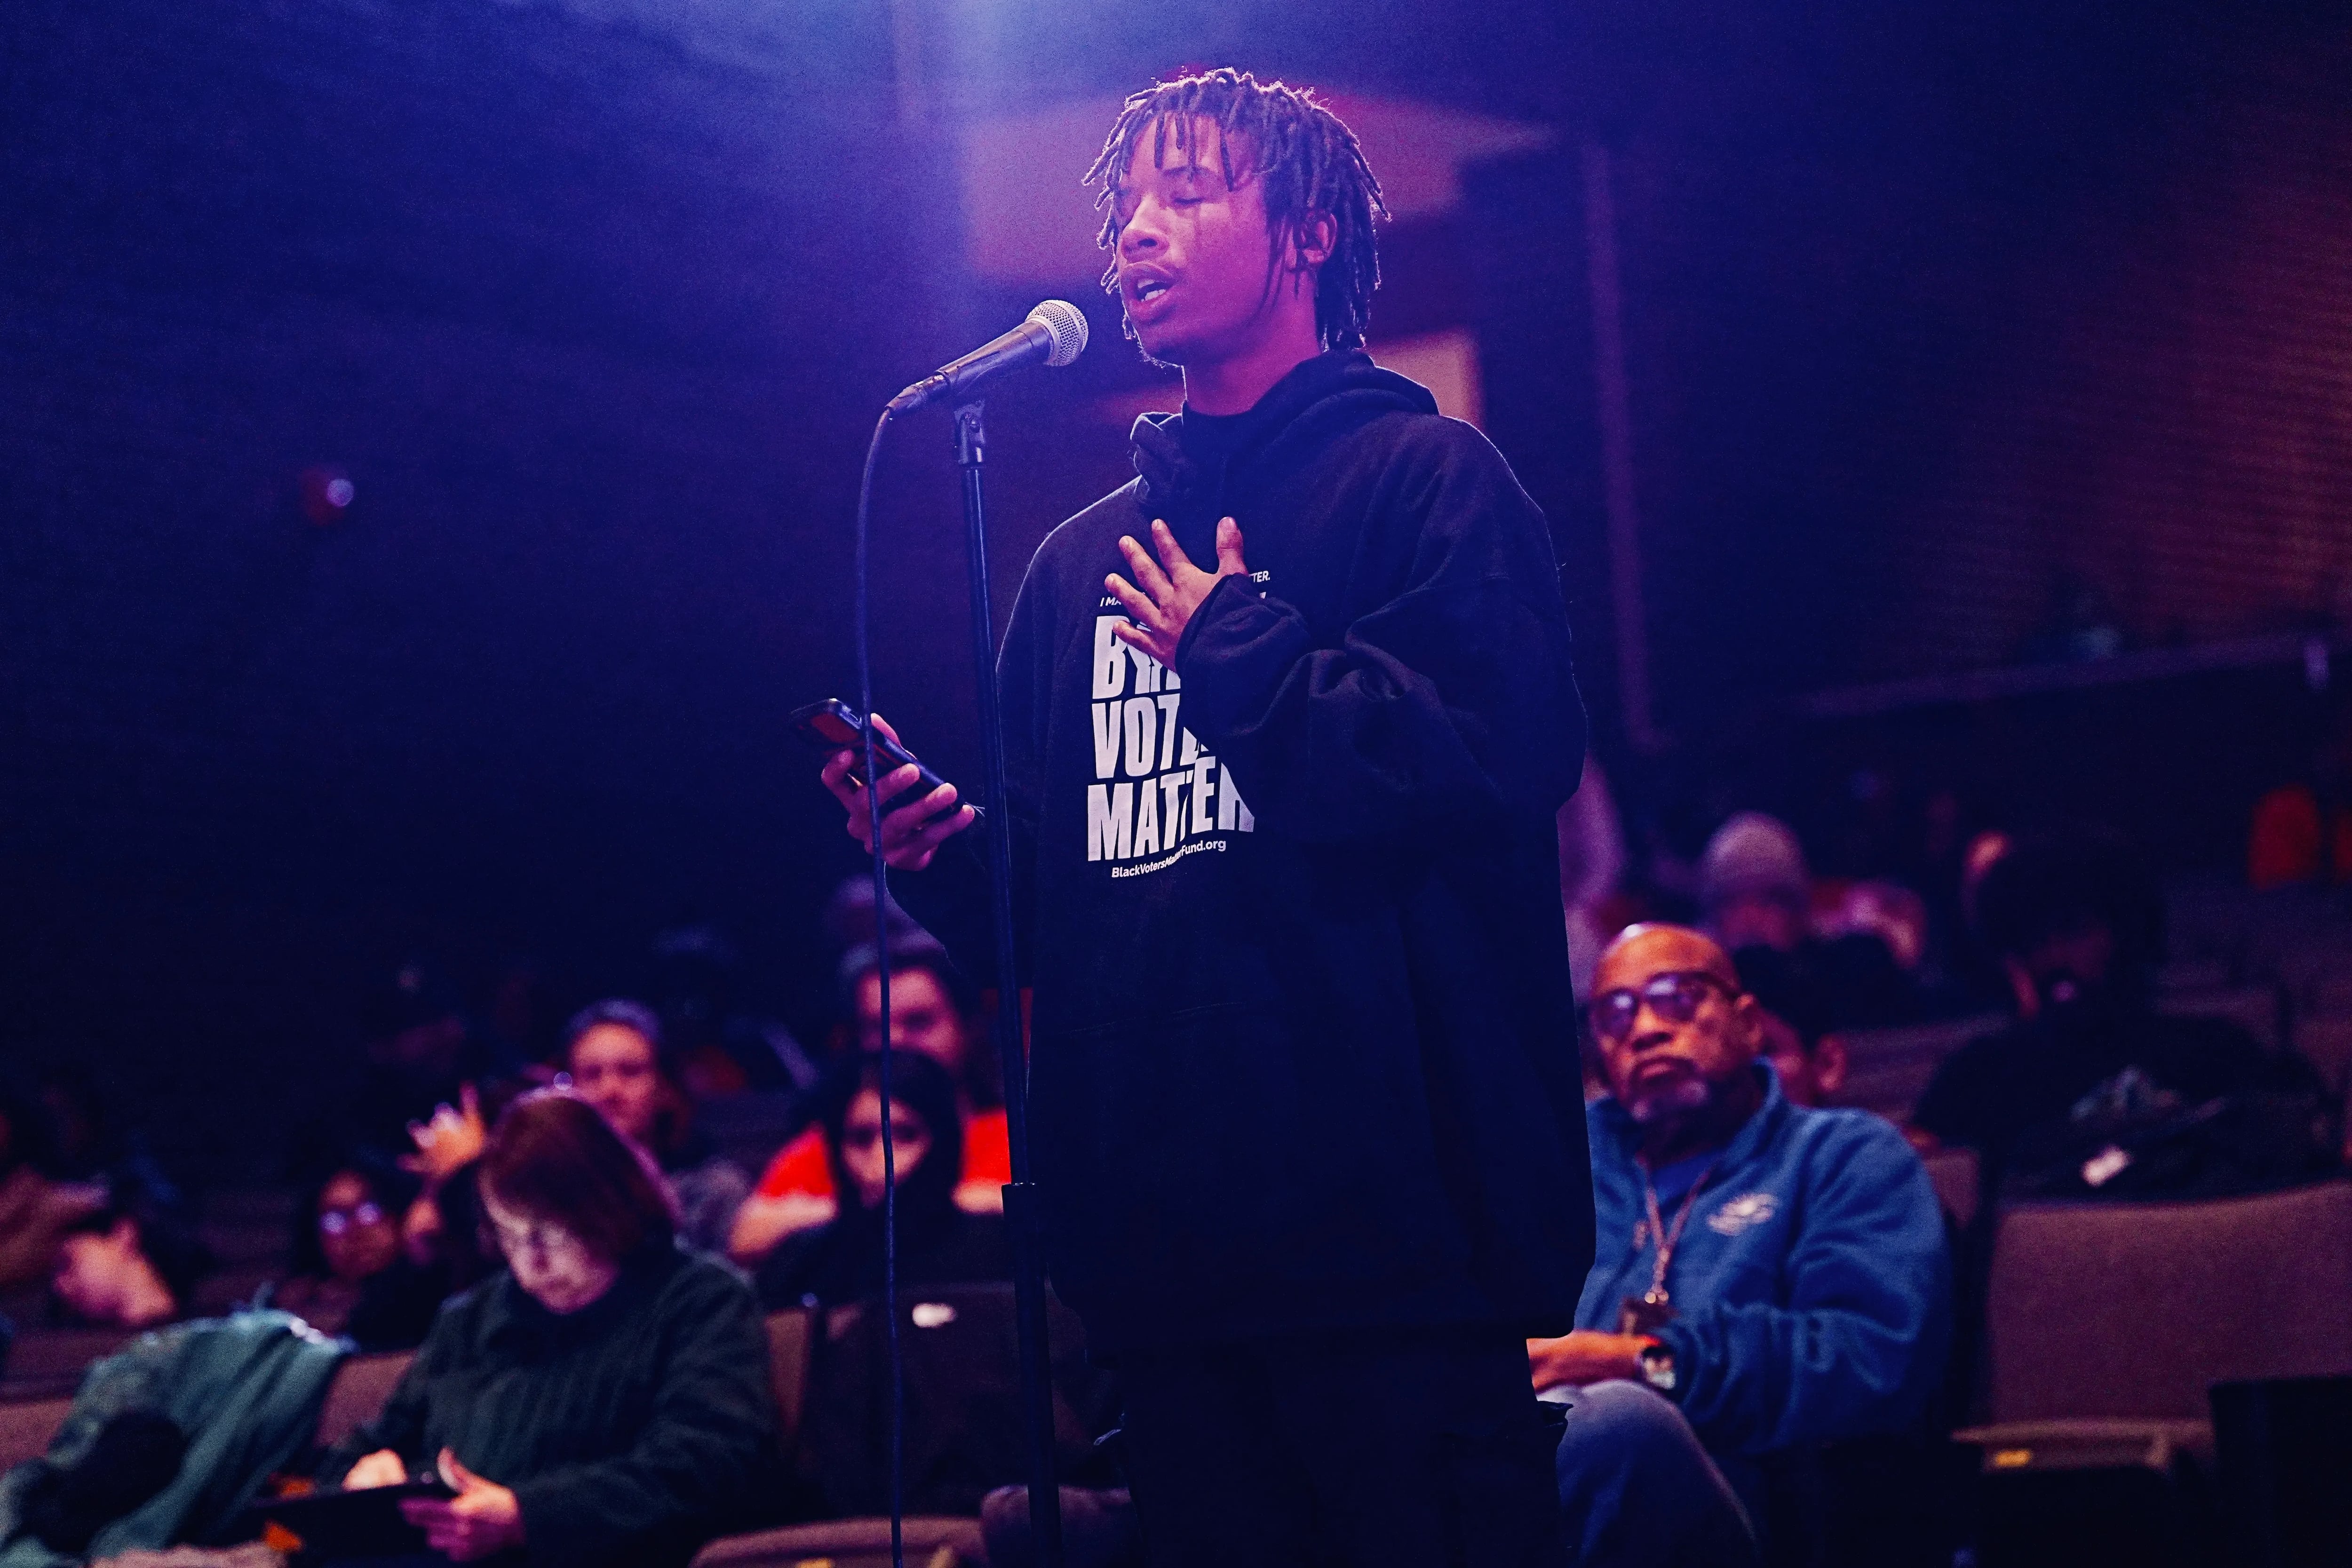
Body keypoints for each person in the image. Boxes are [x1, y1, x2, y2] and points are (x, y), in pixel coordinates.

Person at [822, 69, 1590, 1567]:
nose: (1136, 236)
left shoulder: (1429, 481)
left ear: (1307, 231)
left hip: (1396, 1263)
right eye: (1125, 208)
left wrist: (1234, 648)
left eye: (1185, 195)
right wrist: (943, 856)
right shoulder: (1078, 565)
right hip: (1168, 1271)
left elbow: (1489, 759)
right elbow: (1064, 911)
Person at [1534, 923, 1949, 1562]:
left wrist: (1638, 1361)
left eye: (1676, 999)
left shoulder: (1841, 1157)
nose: (1644, 1029)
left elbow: (1865, 1361)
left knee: (1608, 1422)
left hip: (1758, 1504)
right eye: (1614, 1015)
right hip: (1547, 1464)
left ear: (1749, 1023)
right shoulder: (1561, 1169)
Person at [328, 1090, 778, 1568]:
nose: (531, 1264)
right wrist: (366, 1476)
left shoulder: (698, 1299)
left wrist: (527, 1516)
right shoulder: (470, 1319)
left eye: (550, 1234)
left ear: (608, 1210)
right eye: (510, 1236)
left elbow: (703, 1467)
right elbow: (359, 1451)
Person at [1911, 828, 2334, 1198]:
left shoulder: (2216, 1050)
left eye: (2074, 931)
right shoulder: (1979, 1075)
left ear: (2124, 933)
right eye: (2035, 940)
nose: (2053, 956)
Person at [729, 942, 1008, 1263]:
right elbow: (748, 1237)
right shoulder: (842, 1138)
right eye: (877, 1027)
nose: (894, 1041)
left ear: (969, 1028)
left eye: (918, 1022)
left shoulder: (1014, 1136)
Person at [755, 1054, 1009, 1309]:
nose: (883, 1158)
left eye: (905, 1135)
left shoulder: (999, 1250)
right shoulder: (802, 1262)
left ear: (944, 1141)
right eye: (861, 1138)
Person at [563, 999, 749, 1256]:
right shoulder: (549, 1188)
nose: (610, 1090)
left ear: (665, 1087)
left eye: (630, 1071)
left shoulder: (712, 1190)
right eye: (592, 1074)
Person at [1700, 813, 1919, 1031]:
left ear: (1799, 912)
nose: (1751, 917)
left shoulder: (1851, 975)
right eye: (1732, 902)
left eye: (1770, 899)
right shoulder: (1699, 998)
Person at [263, 1156, 445, 1351]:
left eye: (370, 1210)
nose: (356, 1231)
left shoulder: (435, 1291)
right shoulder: (292, 1310)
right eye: (335, 1220)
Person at [50, 1185, 209, 1332]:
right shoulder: (102, 1341)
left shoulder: (194, 1337)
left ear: (124, 1236)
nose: (59, 1285)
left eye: (67, 1264)